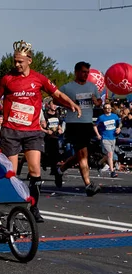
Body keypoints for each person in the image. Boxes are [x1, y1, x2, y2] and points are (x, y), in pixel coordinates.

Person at [0, 41, 80, 223]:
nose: (17, 65)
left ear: (29, 60)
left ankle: (34, 207)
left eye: (20, 61)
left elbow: (57, 94)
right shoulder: (7, 79)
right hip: (11, 131)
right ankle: (10, 204)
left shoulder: (39, 78)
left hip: (32, 131)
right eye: (15, 61)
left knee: (35, 170)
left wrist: (71, 104)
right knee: (11, 172)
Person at [54, 62, 103, 195]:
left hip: (87, 124)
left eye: (87, 72)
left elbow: (100, 102)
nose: (86, 74)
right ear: (76, 72)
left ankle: (60, 171)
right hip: (74, 123)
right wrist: (68, 103)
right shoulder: (68, 87)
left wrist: (96, 101)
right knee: (82, 155)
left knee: (81, 155)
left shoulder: (92, 87)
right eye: (83, 72)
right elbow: (55, 99)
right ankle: (88, 185)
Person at [93, 103, 121, 178]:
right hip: (105, 138)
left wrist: (119, 128)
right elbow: (95, 126)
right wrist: (98, 134)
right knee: (110, 154)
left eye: (109, 108)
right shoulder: (101, 118)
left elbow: (119, 124)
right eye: (106, 108)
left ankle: (99, 163)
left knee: (108, 155)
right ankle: (112, 171)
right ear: (104, 109)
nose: (108, 109)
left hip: (113, 137)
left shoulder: (115, 116)